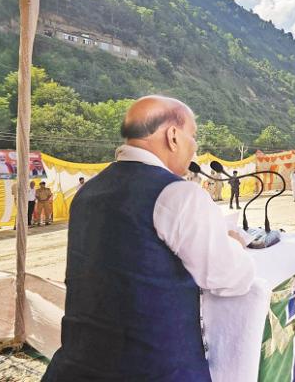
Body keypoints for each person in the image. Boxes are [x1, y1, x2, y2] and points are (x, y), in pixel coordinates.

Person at [42, 95, 254, 381]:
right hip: (156, 370)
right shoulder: (178, 194)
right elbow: (228, 278)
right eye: (193, 137)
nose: (195, 148)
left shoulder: (87, 192)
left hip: (76, 367)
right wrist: (235, 243)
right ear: (173, 136)